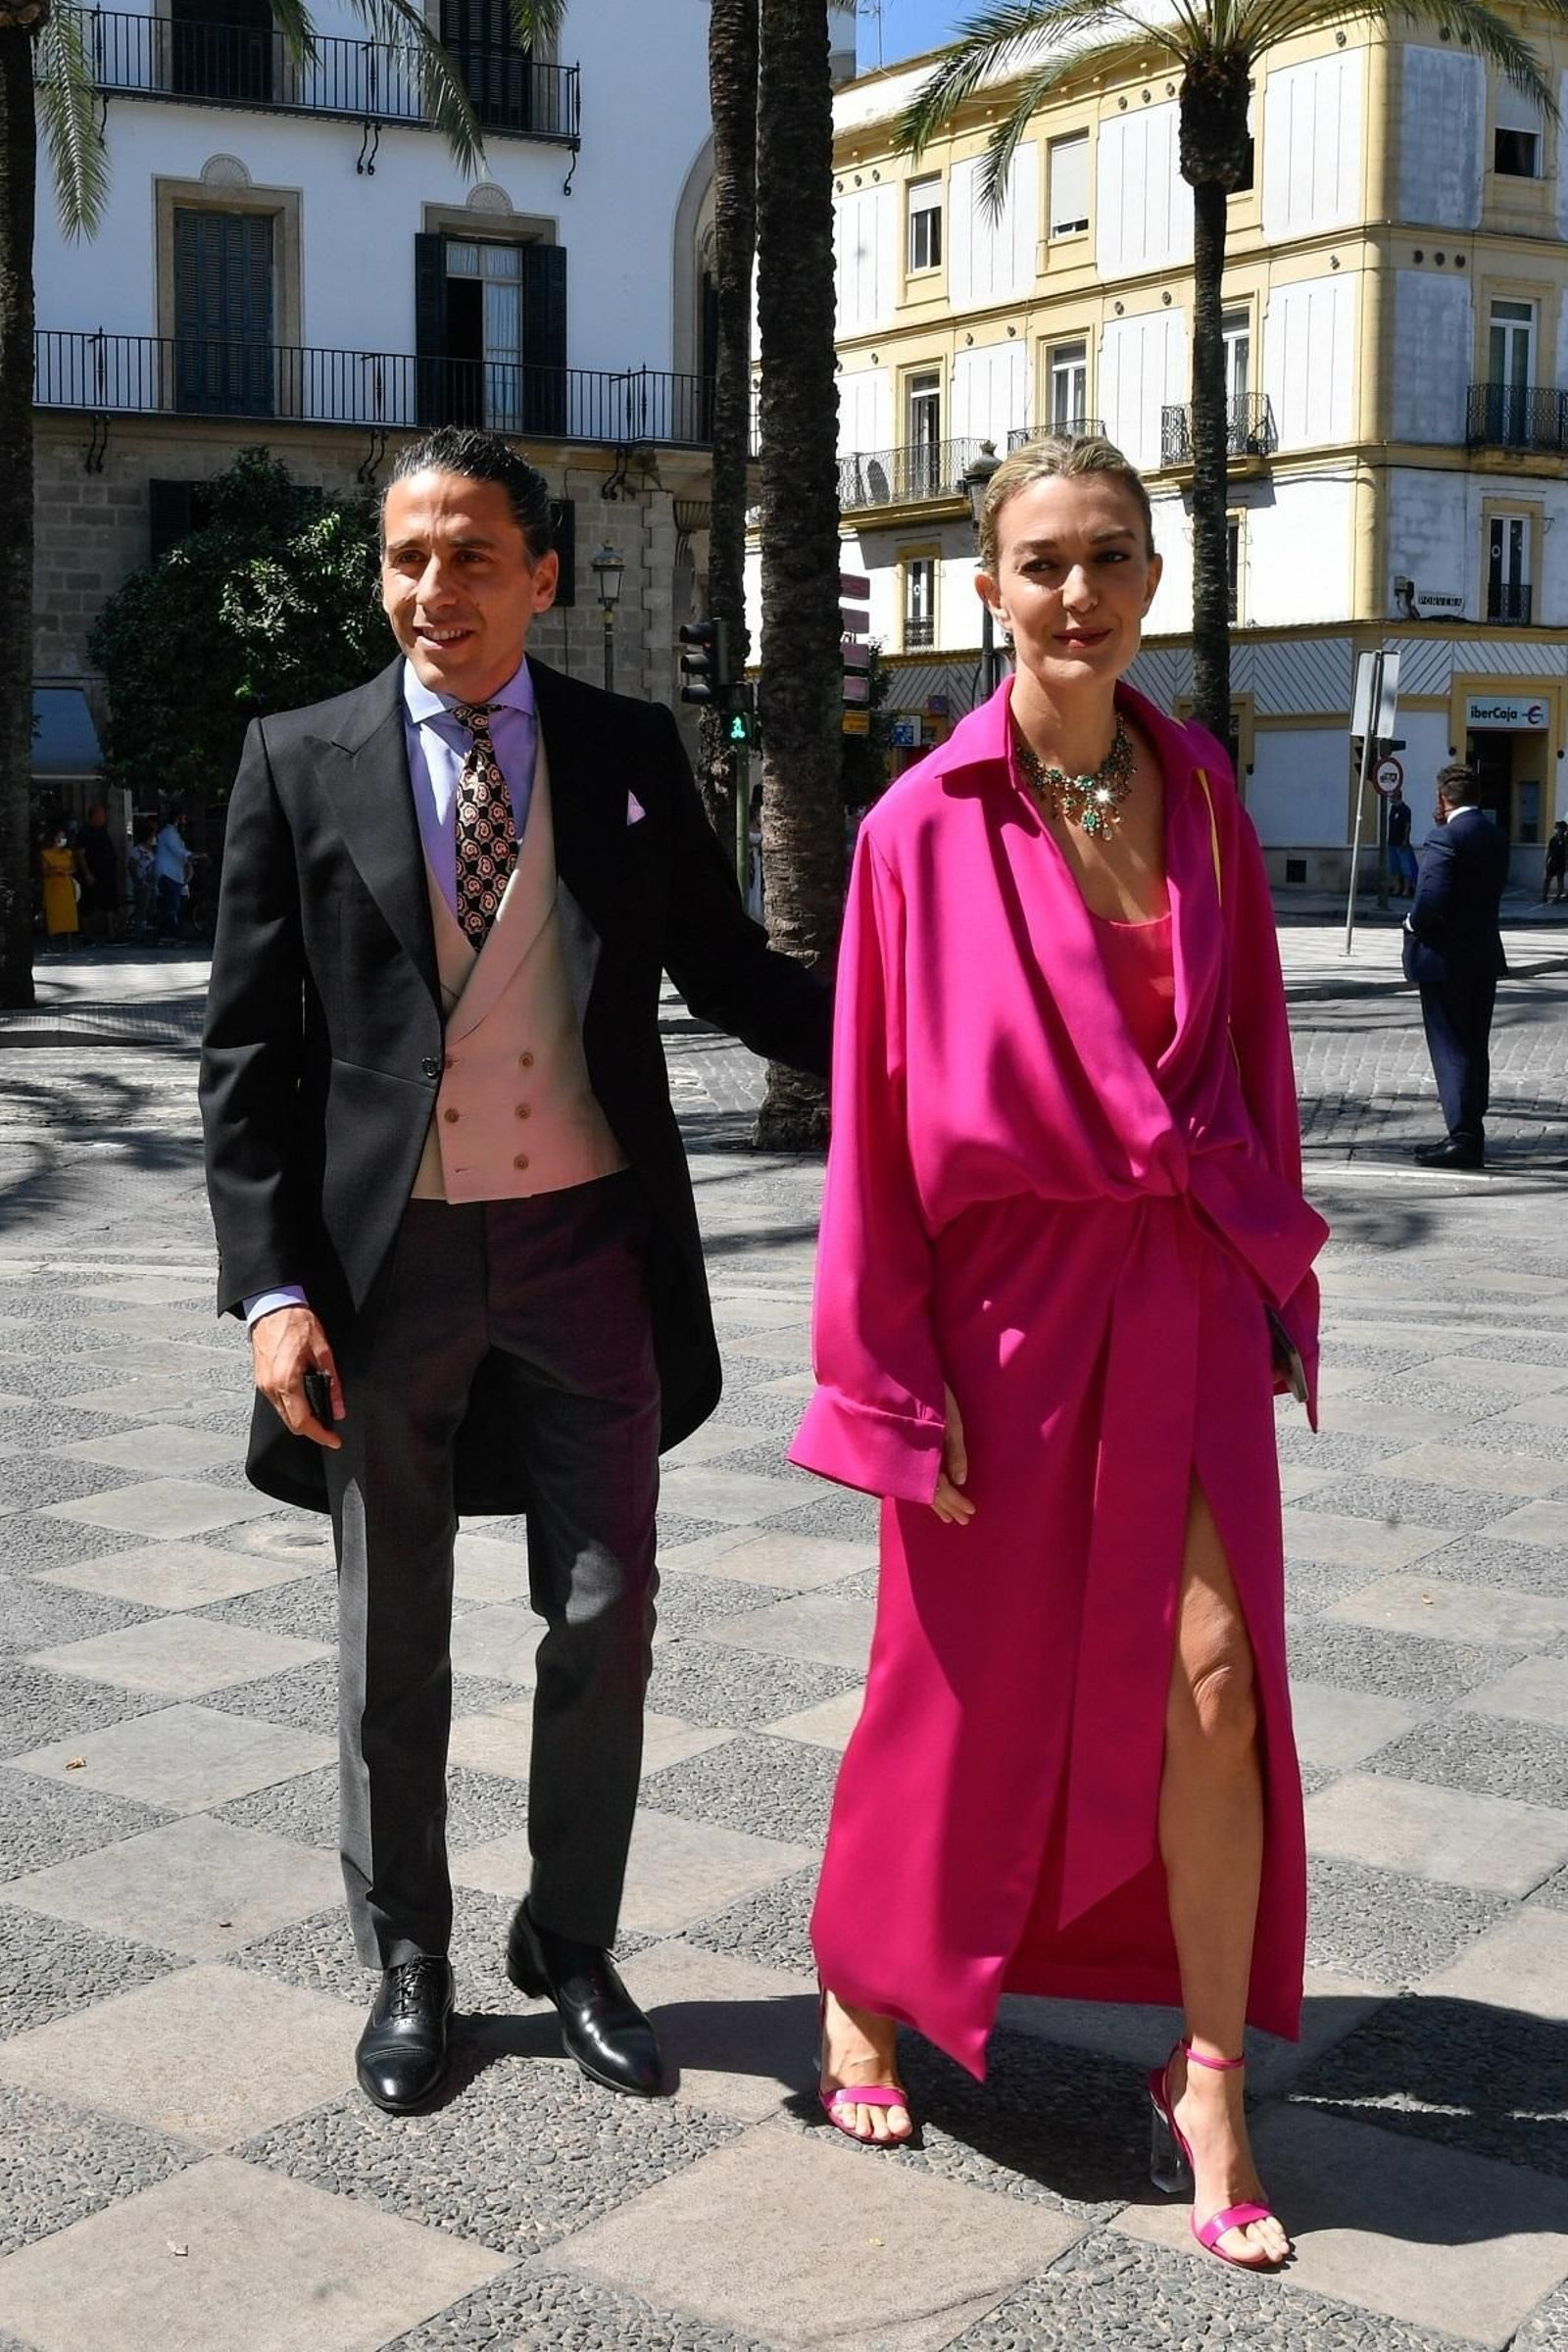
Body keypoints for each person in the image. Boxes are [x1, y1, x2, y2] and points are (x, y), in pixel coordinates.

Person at [200, 426, 830, 2118]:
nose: (432, 590)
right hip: (381, 1270)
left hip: (587, 1253)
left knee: (605, 1619)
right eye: (407, 557)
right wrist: (270, 1291)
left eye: (471, 555)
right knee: (388, 1631)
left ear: (541, 574)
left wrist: (931, 1040)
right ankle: (409, 1955)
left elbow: (730, 971)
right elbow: (246, 1055)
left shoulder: (627, 749)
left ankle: (571, 1940)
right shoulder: (299, 756)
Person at [790, 436, 1326, 2273]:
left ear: (1153, 583)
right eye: (1041, 564)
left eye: (1108, 559)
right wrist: (883, 1380)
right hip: (992, 1322)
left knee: (1215, 1685)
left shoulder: (1204, 795)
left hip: (1173, 1297)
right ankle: (866, 1979)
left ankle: (1207, 2075)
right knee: (954, 1686)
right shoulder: (915, 827)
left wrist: (1269, 1290)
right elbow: (869, 1121)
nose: (1076, 594)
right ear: (985, 586)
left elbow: (1249, 1058)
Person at [1402, 761, 1508, 1169]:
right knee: (1474, 1045)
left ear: (1443, 798)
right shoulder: (1495, 836)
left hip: (1445, 960)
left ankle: (1462, 1137)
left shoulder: (1445, 837)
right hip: (1483, 957)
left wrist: (1411, 922)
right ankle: (1472, 1131)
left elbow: (1430, 901)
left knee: (1450, 1048)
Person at [77, 805, 122, 942]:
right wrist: (87, 874)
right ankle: (87, 935)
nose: (103, 819)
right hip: (92, 875)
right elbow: (80, 854)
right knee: (87, 905)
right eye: (100, 816)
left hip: (107, 875)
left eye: (103, 816)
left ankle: (112, 934)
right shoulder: (84, 833)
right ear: (92, 817)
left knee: (110, 903)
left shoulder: (103, 831)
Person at [153, 809, 193, 941]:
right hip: (168, 874)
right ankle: (159, 932)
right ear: (178, 818)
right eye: (184, 818)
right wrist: (191, 855)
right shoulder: (169, 833)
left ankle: (168, 932)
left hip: (176, 874)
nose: (185, 821)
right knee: (172, 904)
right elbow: (178, 850)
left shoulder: (174, 833)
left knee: (177, 903)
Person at [39, 826, 79, 951]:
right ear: (54, 838)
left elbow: (73, 868)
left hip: (66, 886)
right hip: (52, 887)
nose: (63, 839)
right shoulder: (46, 854)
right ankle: (52, 945)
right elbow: (44, 871)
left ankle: (69, 945)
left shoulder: (68, 853)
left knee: (69, 915)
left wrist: (67, 872)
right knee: (53, 915)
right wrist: (55, 871)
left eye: (64, 837)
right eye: (60, 837)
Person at [1386, 782, 1416, 898]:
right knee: (1394, 867)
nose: (1390, 799)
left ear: (1397, 796)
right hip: (1392, 842)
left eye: (1391, 796)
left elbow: (1408, 826)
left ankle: (1406, 889)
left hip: (1401, 843)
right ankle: (1397, 886)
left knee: (1405, 867)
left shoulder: (1405, 809)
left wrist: (1405, 840)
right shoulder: (1393, 808)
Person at [127, 823, 157, 940]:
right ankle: (139, 934)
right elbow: (131, 866)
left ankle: (149, 932)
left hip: (151, 883)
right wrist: (139, 881)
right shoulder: (137, 850)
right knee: (142, 909)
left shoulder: (151, 850)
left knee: (151, 908)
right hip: (142, 884)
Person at [1543, 818, 1567, 906]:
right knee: (1547, 879)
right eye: (1557, 828)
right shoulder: (1553, 839)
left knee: (1560, 879)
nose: (1557, 829)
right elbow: (1549, 851)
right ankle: (1544, 896)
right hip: (1553, 862)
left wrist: (1566, 864)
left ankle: (1558, 896)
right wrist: (1546, 861)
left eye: (1559, 828)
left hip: (1561, 862)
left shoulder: (1565, 840)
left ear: (1563, 829)